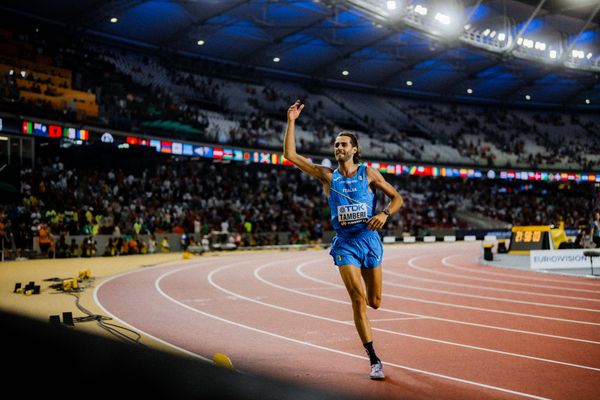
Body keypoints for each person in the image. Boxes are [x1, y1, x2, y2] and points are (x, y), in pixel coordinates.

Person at [284, 99, 404, 380]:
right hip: (346, 243)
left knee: (375, 301)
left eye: (344, 144)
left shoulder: (368, 173)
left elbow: (397, 198)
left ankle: (373, 351)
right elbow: (290, 155)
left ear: (355, 150)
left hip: (370, 240)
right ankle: (374, 359)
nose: (339, 148)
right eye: (336, 145)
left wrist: (385, 214)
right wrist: (291, 121)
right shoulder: (327, 176)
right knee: (358, 298)